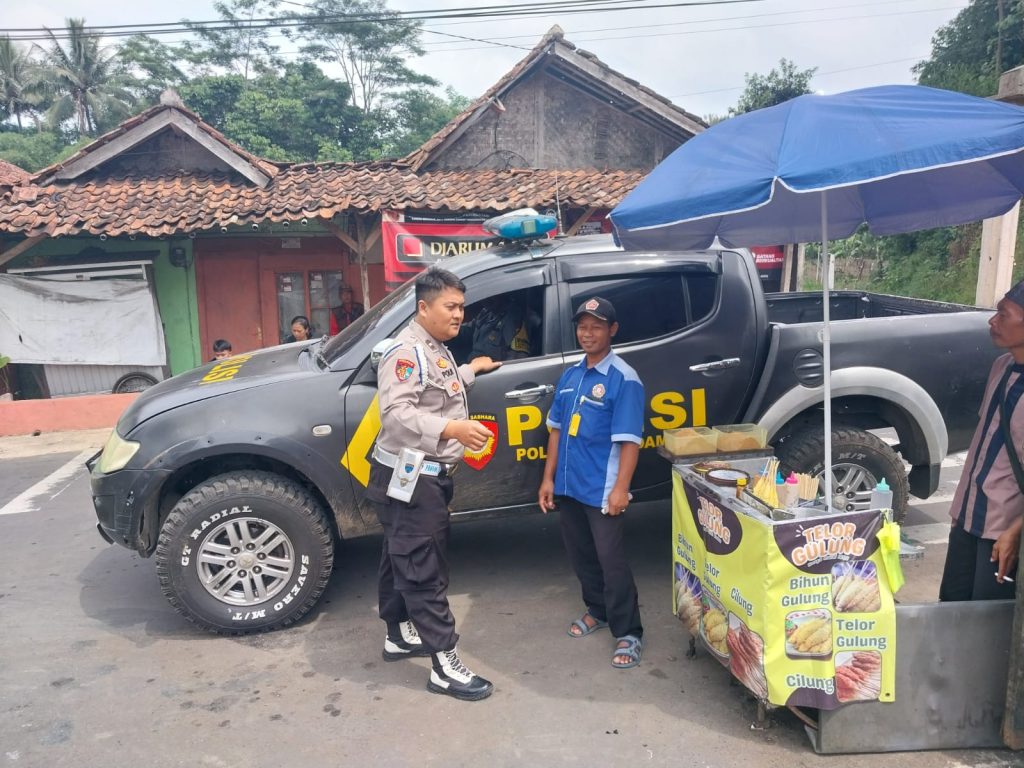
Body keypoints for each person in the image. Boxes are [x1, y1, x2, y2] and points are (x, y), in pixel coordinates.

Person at [364, 267, 501, 701]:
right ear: (424, 307)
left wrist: (471, 370)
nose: (460, 315)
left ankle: (397, 635)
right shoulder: (404, 352)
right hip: (413, 476)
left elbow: (437, 385)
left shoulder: (432, 347)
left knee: (397, 555)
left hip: (410, 477)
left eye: (462, 306)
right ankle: (445, 665)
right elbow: (398, 415)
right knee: (423, 569)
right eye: (451, 307)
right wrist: (452, 429)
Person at [538, 296, 646, 669]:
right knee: (582, 556)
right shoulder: (570, 376)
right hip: (569, 486)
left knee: (610, 561)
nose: (587, 333)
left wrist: (620, 489)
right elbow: (555, 431)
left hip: (602, 490)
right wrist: (548, 479)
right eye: (582, 326)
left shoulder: (624, 379)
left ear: (612, 330)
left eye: (596, 326)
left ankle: (629, 632)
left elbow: (630, 440)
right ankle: (597, 610)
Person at [940, 280, 1024, 601]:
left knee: (988, 624)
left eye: (1004, 315)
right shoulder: (1001, 367)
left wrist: (1016, 531)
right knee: (952, 607)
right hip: (967, 517)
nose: (993, 321)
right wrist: (958, 510)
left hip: (1002, 532)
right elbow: (983, 441)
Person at [468, 293, 540, 362]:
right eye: (485, 294)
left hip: (490, 372)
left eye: (492, 294)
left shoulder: (513, 319)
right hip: (473, 367)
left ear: (501, 293)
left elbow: (516, 362)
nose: (486, 299)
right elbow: (469, 329)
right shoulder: (486, 312)